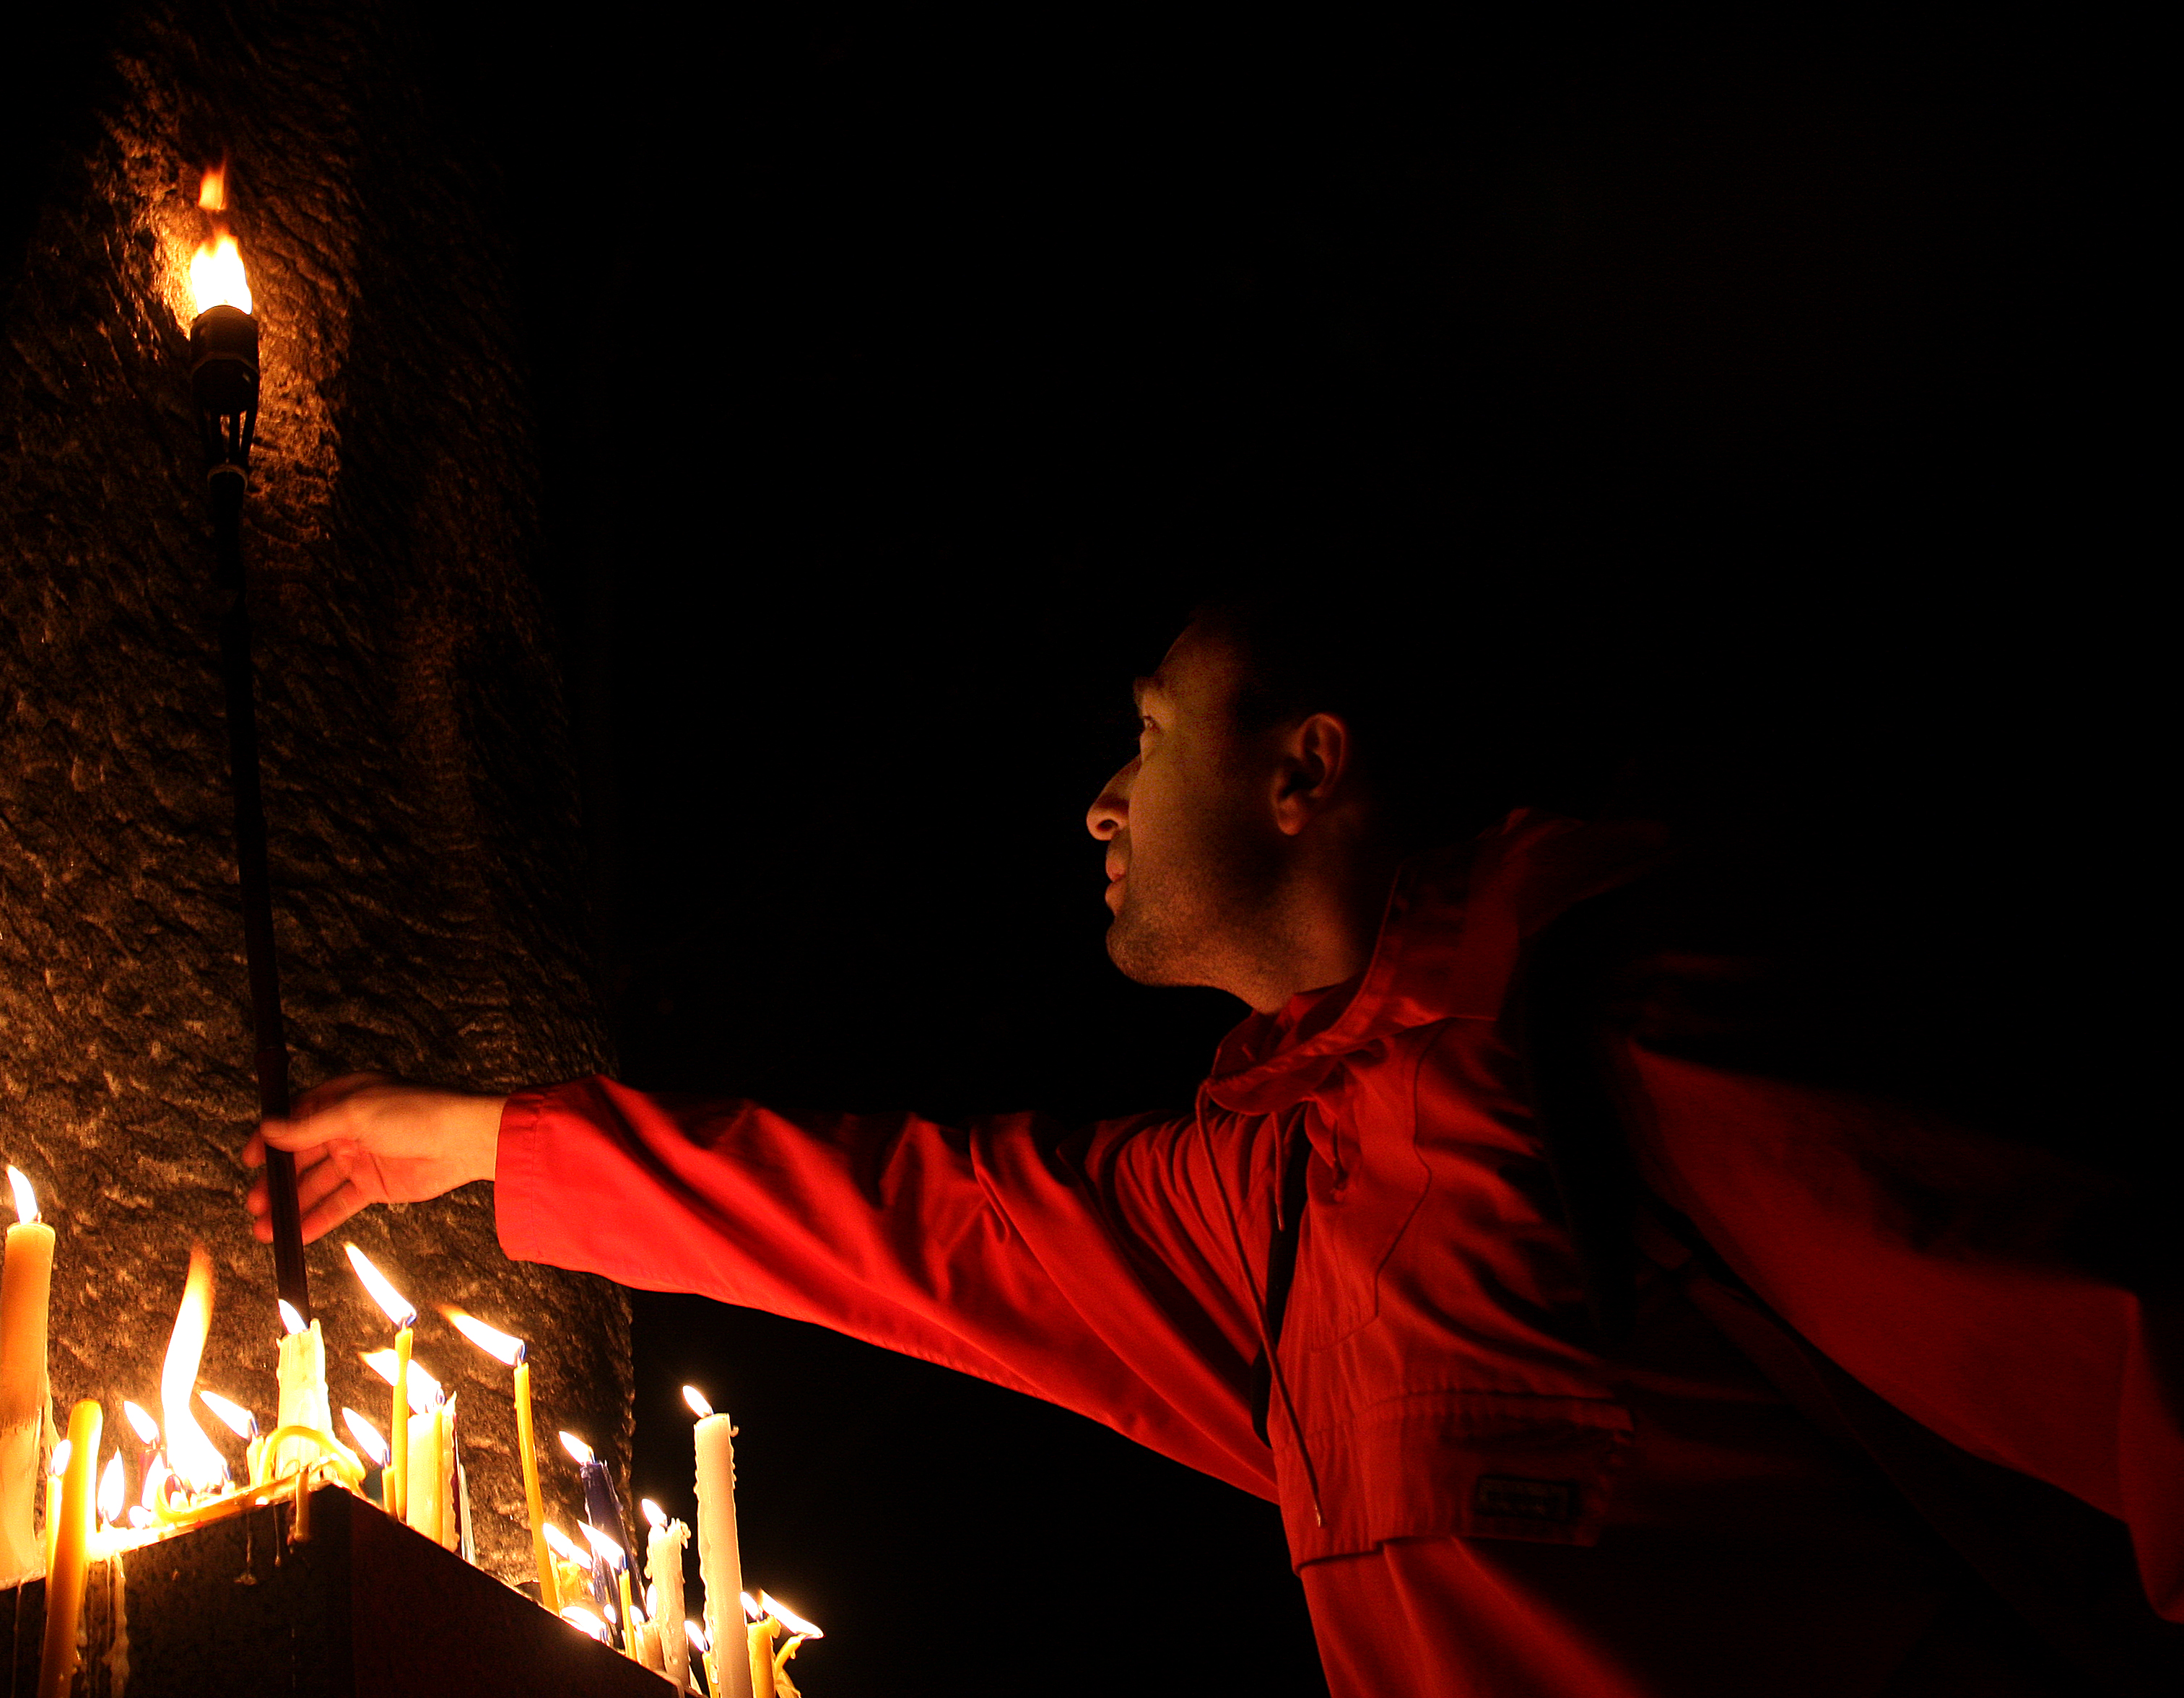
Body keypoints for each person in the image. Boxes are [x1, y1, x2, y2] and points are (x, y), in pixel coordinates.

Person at [244, 596, 2179, 1696]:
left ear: (1304, 771)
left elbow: (2113, 1339)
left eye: (1145, 735)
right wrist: (490, 1142)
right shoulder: (1270, 1196)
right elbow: (934, 1228)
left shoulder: (1623, 1023)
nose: (1098, 799)